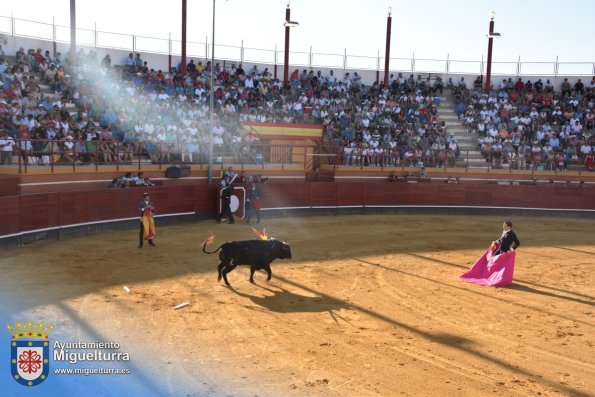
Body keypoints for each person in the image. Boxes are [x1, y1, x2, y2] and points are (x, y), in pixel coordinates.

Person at [460, 221, 520, 287]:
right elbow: (502, 239)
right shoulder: (505, 231)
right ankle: (490, 275)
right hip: (500, 250)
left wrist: (511, 249)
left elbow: (517, 243)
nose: (503, 227)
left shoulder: (512, 234)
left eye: (504, 226)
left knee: (501, 266)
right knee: (493, 261)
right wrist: (495, 241)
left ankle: (498, 278)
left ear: (508, 227)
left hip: (505, 252)